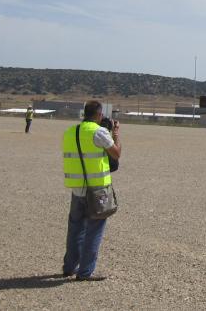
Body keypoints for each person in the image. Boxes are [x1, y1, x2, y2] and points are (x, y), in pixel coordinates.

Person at [61, 101, 122, 281]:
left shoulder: (71, 131)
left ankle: (69, 266)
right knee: (94, 230)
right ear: (99, 115)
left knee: (75, 229)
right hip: (97, 190)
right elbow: (116, 154)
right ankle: (85, 272)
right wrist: (116, 134)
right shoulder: (99, 132)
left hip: (77, 188)